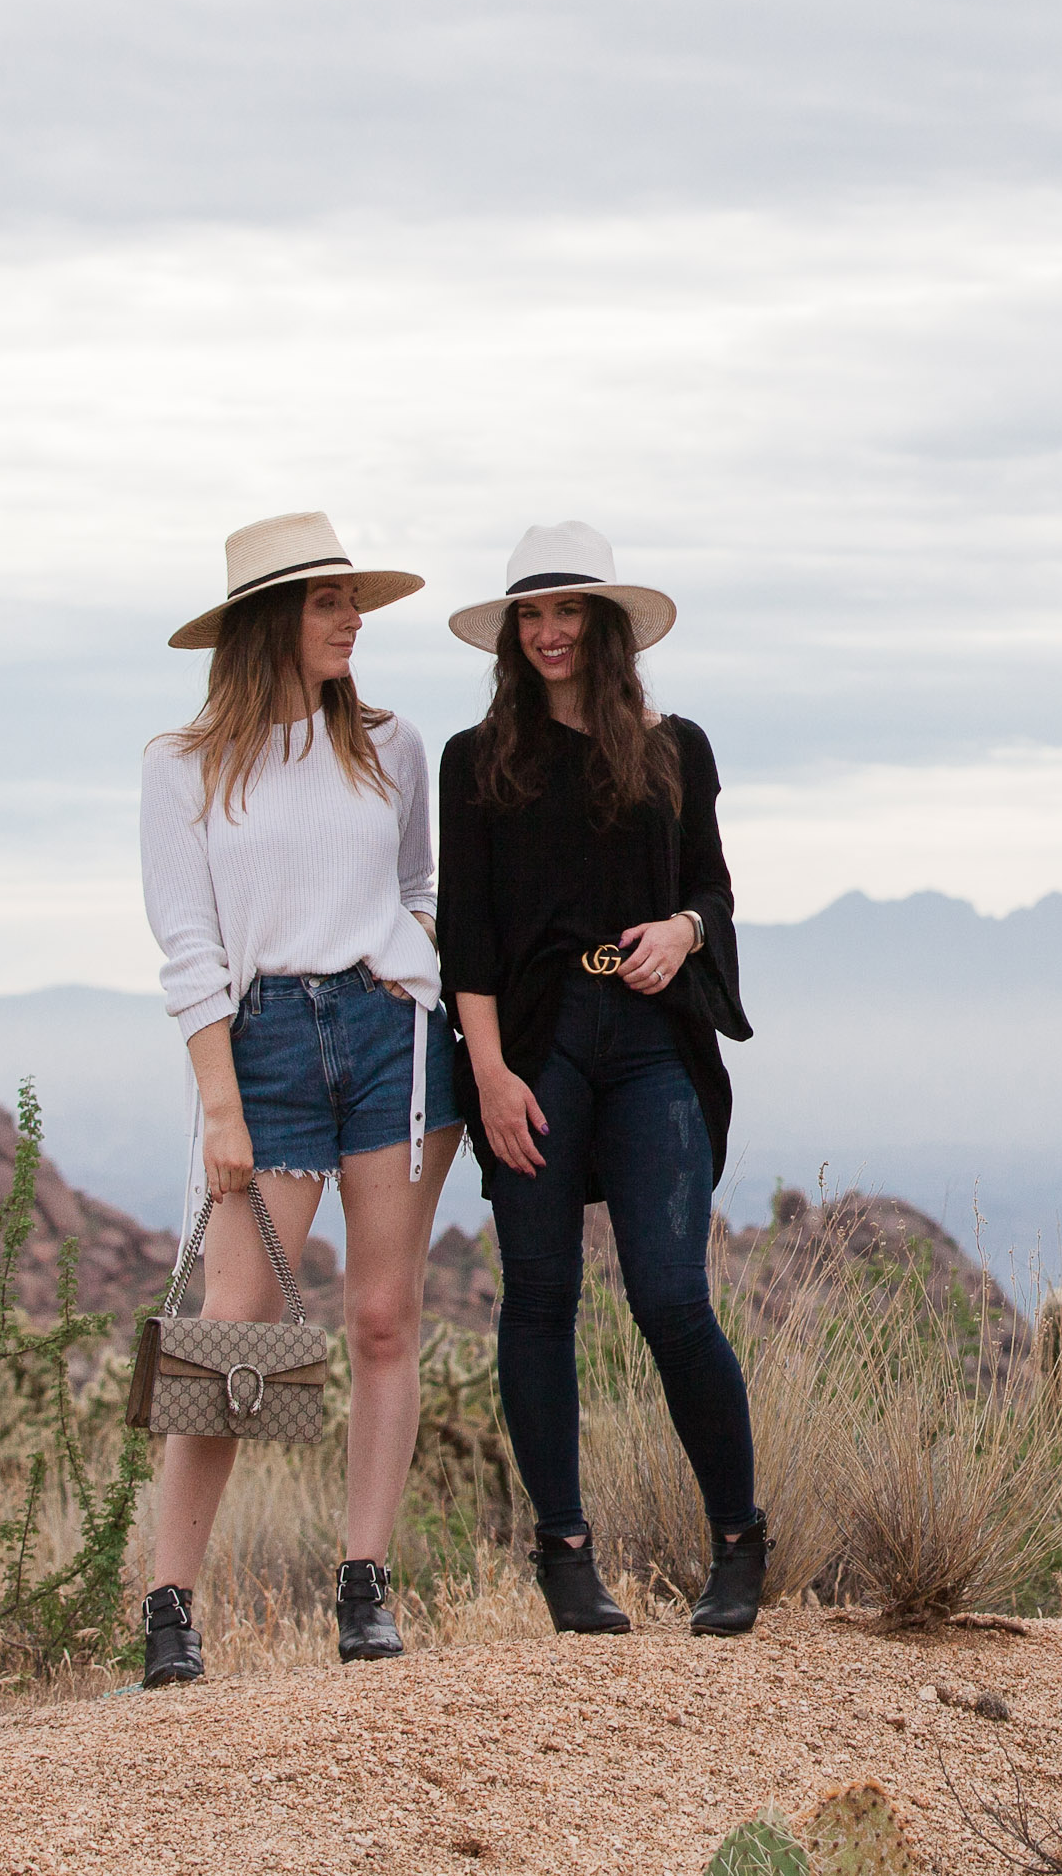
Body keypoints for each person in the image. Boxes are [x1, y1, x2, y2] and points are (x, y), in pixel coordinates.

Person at [135, 510, 462, 1683]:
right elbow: (185, 947)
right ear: (272, 621)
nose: (353, 620)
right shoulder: (181, 766)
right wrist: (220, 1105)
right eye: (330, 603)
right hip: (261, 1046)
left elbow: (420, 879)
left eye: (352, 601)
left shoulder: (393, 743)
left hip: (391, 1043)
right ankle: (170, 1603)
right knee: (237, 1333)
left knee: (383, 1317)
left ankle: (363, 1585)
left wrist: (407, 952)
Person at [438, 521, 763, 1636]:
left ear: (607, 624)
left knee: (672, 1299)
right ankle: (565, 1555)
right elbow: (466, 943)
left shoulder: (679, 749)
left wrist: (680, 929)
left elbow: (715, 894)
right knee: (538, 1298)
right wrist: (486, 1076)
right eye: (529, 616)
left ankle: (738, 1540)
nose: (545, 633)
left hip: (652, 1040)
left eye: (566, 612)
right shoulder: (475, 760)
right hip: (530, 1048)